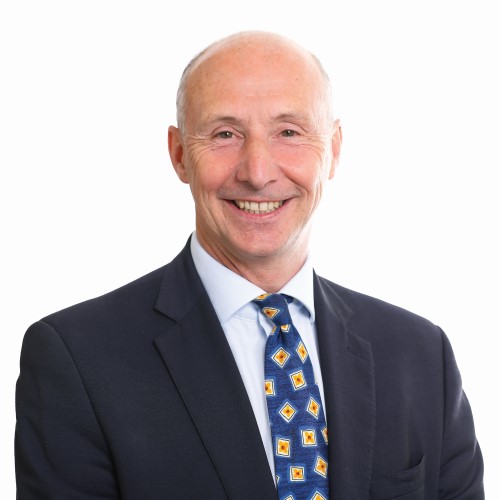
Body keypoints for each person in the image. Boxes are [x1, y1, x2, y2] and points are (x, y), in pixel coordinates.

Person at [15, 31, 484, 499]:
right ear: (179, 154)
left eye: (289, 132)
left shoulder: (422, 356)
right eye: (225, 134)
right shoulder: (76, 359)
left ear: (334, 149)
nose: (257, 173)